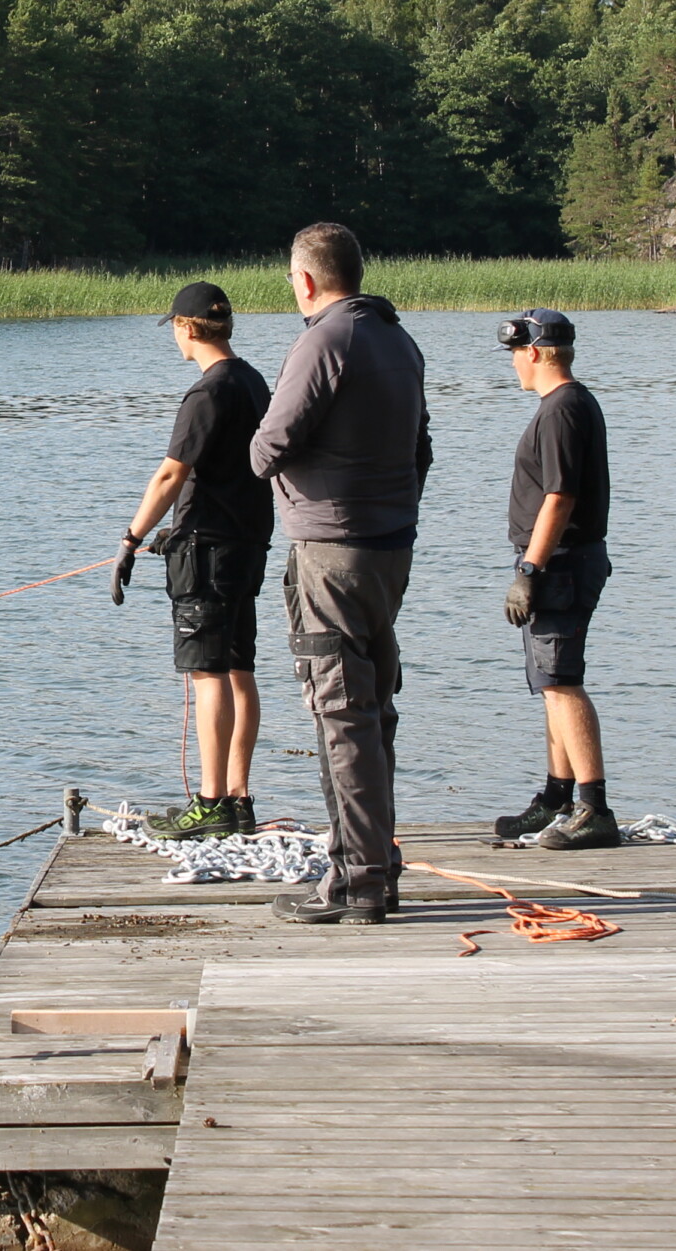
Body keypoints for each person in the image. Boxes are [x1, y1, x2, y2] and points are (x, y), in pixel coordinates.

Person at [247, 222, 431, 924]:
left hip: (331, 552)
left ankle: (358, 881)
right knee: (373, 708)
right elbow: (423, 448)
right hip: (391, 549)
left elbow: (269, 446)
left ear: (306, 280)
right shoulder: (398, 338)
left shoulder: (323, 339)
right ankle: (374, 865)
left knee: (341, 715)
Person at [112, 281, 274, 839]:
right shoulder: (253, 382)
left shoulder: (207, 393)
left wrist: (132, 538)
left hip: (207, 552)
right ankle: (238, 798)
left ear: (186, 327)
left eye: (174, 329)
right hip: (245, 544)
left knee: (208, 675)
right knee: (238, 668)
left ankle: (209, 802)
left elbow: (170, 474)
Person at [492, 309, 619, 849]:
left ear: (537, 352)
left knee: (562, 682)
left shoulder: (563, 409)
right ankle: (556, 797)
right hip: (556, 562)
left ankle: (594, 808)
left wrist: (529, 569)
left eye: (518, 353)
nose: (515, 365)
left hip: (560, 564)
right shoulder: (565, 405)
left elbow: (560, 496)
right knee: (549, 684)